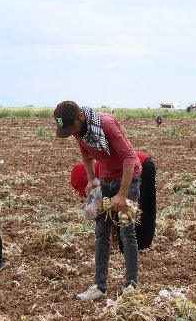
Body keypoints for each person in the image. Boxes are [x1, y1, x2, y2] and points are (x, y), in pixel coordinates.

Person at [54, 100, 142, 301]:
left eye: (71, 128)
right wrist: (92, 180)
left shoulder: (106, 124)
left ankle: (131, 286)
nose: (71, 133)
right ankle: (100, 286)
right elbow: (86, 156)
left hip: (129, 178)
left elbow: (129, 158)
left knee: (127, 232)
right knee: (101, 234)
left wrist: (122, 194)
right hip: (106, 179)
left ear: (80, 117)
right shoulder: (79, 132)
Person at [70, 151, 156, 251]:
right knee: (143, 205)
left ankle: (133, 246)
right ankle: (139, 244)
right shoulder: (94, 173)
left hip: (139, 167)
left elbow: (111, 204)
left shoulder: (99, 176)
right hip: (144, 164)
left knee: (130, 207)